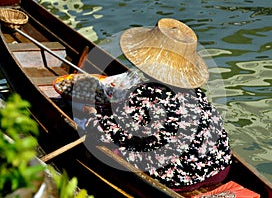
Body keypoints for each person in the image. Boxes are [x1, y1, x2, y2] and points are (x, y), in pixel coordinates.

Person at [81, 18, 232, 192]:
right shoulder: (196, 93)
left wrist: (91, 114)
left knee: (111, 146)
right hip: (219, 168)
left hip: (180, 178)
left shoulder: (146, 96)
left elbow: (103, 133)